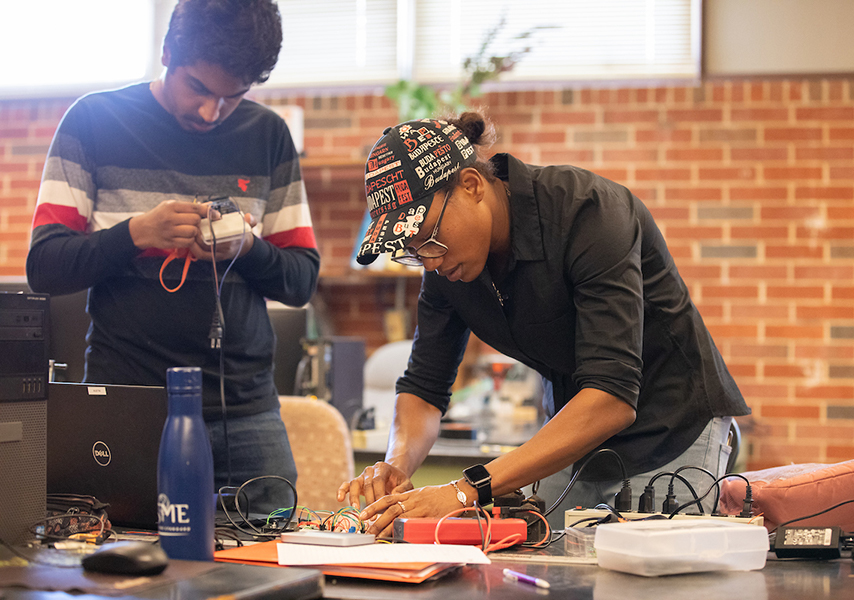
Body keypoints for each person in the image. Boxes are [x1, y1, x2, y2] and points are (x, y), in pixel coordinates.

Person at [337, 113, 750, 533]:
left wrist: (466, 489)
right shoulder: (445, 265)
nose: (429, 260)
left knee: (648, 577)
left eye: (429, 237)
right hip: (576, 433)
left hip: (672, 426)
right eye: (412, 250)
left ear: (472, 186)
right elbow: (424, 386)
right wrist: (395, 465)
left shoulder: (588, 213)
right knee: (538, 560)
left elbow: (611, 395)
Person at [26, 0, 319, 513]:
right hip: (128, 406)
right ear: (166, 53)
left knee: (268, 576)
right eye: (199, 89)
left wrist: (245, 248)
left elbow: (300, 281)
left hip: (245, 414)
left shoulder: (269, 135)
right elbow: (45, 265)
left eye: (234, 96)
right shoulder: (92, 121)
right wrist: (138, 233)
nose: (212, 112)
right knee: (121, 577)